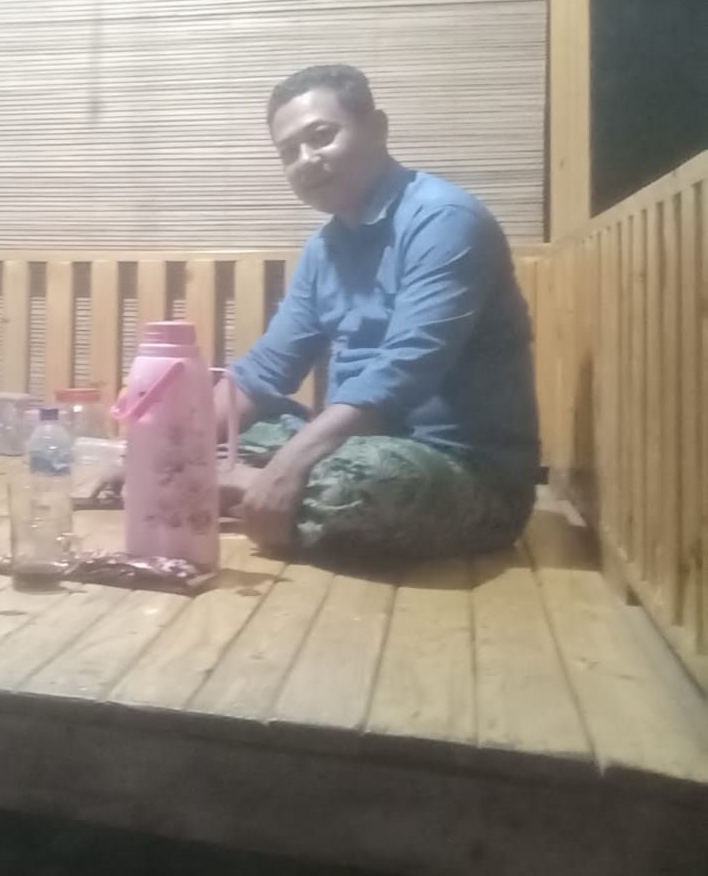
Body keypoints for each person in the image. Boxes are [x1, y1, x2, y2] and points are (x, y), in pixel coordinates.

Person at [220, 64, 538, 562]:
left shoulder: (444, 219)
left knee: (354, 486)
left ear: (377, 128)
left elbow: (406, 369)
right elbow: (263, 371)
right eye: (288, 152)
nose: (305, 160)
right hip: (358, 445)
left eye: (321, 136)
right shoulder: (323, 250)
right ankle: (250, 490)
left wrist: (285, 466)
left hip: (463, 472)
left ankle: (247, 489)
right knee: (230, 434)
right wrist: (160, 449)